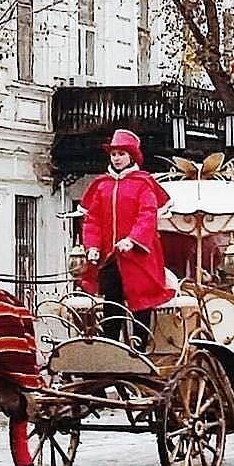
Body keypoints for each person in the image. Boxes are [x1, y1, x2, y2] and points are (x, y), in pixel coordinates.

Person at [78, 129, 173, 349]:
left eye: (121, 154)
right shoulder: (102, 185)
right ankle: (111, 345)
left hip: (138, 255)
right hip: (110, 257)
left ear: (131, 156)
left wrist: (133, 239)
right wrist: (92, 246)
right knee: (112, 301)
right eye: (114, 154)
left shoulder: (143, 183)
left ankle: (140, 346)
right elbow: (92, 220)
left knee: (141, 299)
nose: (117, 158)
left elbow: (147, 214)